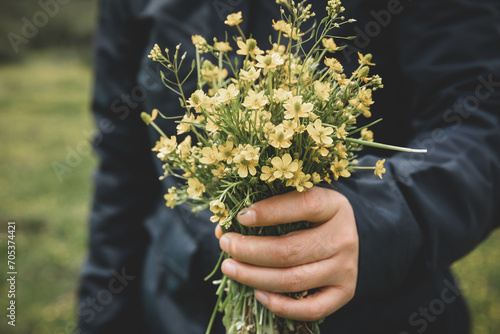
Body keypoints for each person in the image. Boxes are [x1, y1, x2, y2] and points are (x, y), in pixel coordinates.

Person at [77, 0, 500, 333]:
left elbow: (480, 120)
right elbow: (123, 167)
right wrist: (101, 319)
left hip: (385, 312)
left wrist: (384, 218)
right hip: (175, 307)